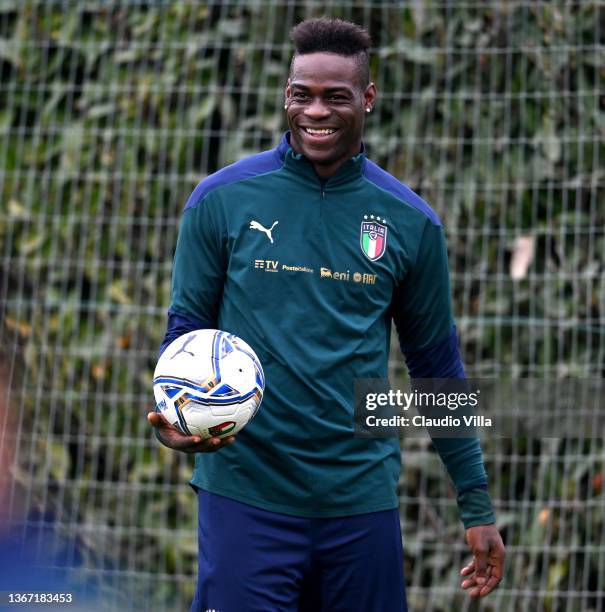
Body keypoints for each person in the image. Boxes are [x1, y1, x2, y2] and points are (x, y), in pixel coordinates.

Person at [148, 17, 505, 612]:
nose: (315, 111)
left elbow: (437, 369)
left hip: (359, 500)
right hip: (246, 496)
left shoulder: (409, 222)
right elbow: (186, 332)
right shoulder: (221, 200)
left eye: (335, 97)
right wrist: (179, 415)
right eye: (301, 94)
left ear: (367, 98)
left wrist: (476, 504)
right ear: (286, 94)